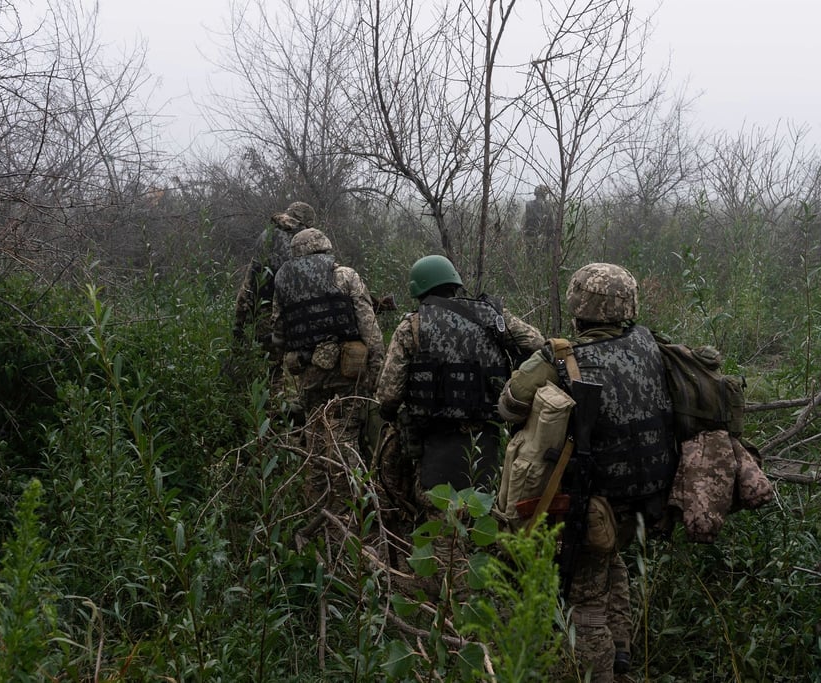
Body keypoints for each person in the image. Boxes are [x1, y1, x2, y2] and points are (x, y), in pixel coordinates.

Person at [498, 263, 680, 682]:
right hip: (649, 496)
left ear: (578, 306)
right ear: (628, 304)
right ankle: (623, 656)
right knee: (610, 563)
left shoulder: (560, 357)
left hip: (591, 502)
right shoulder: (651, 344)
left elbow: (508, 405)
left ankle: (599, 671)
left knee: (586, 603)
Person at [375, 254, 544, 527]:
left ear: (419, 289)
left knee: (439, 518)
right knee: (484, 512)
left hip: (434, 440)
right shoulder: (493, 315)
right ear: (454, 283)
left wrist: (393, 414)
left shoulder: (412, 326)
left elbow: (388, 395)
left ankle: (397, 524)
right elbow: (538, 344)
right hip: (487, 438)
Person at [271, 227, 385, 511]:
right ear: (324, 248)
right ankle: (357, 510)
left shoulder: (283, 283)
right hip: (346, 372)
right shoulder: (345, 275)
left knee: (316, 440)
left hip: (309, 373)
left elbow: (278, 335)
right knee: (345, 437)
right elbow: (370, 331)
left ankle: (318, 507)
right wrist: (377, 372)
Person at [232, 201, 316, 358]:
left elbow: (250, 279)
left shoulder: (267, 234)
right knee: (285, 361)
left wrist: (239, 320)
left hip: (260, 309)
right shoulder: (302, 240)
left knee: (265, 358)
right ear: (307, 221)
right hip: (287, 314)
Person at [522, 184, 554, 258]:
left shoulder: (548, 205)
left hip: (542, 238)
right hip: (533, 237)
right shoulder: (530, 205)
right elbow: (526, 222)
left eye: (541, 195)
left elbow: (552, 224)